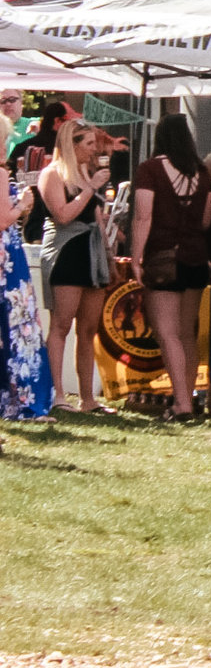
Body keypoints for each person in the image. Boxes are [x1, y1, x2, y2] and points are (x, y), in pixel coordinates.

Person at [125, 112, 211, 420]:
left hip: (163, 258)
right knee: (186, 333)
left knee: (167, 333)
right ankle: (187, 396)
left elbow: (142, 216)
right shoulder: (202, 172)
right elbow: (204, 220)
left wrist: (136, 258)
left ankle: (181, 404)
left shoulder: (149, 169)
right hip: (196, 257)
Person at [37, 116, 111, 412]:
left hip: (92, 253)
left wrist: (109, 253)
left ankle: (87, 398)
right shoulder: (52, 174)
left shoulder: (86, 172)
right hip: (66, 251)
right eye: (89, 143)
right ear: (72, 143)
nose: (94, 149)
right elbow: (63, 215)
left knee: (89, 327)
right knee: (61, 324)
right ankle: (56, 394)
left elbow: (95, 218)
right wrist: (90, 188)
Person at [0, 87, 54, 421]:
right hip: (7, 256)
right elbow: (4, 218)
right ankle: (26, 399)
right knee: (19, 328)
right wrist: (25, 203)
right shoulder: (1, 172)